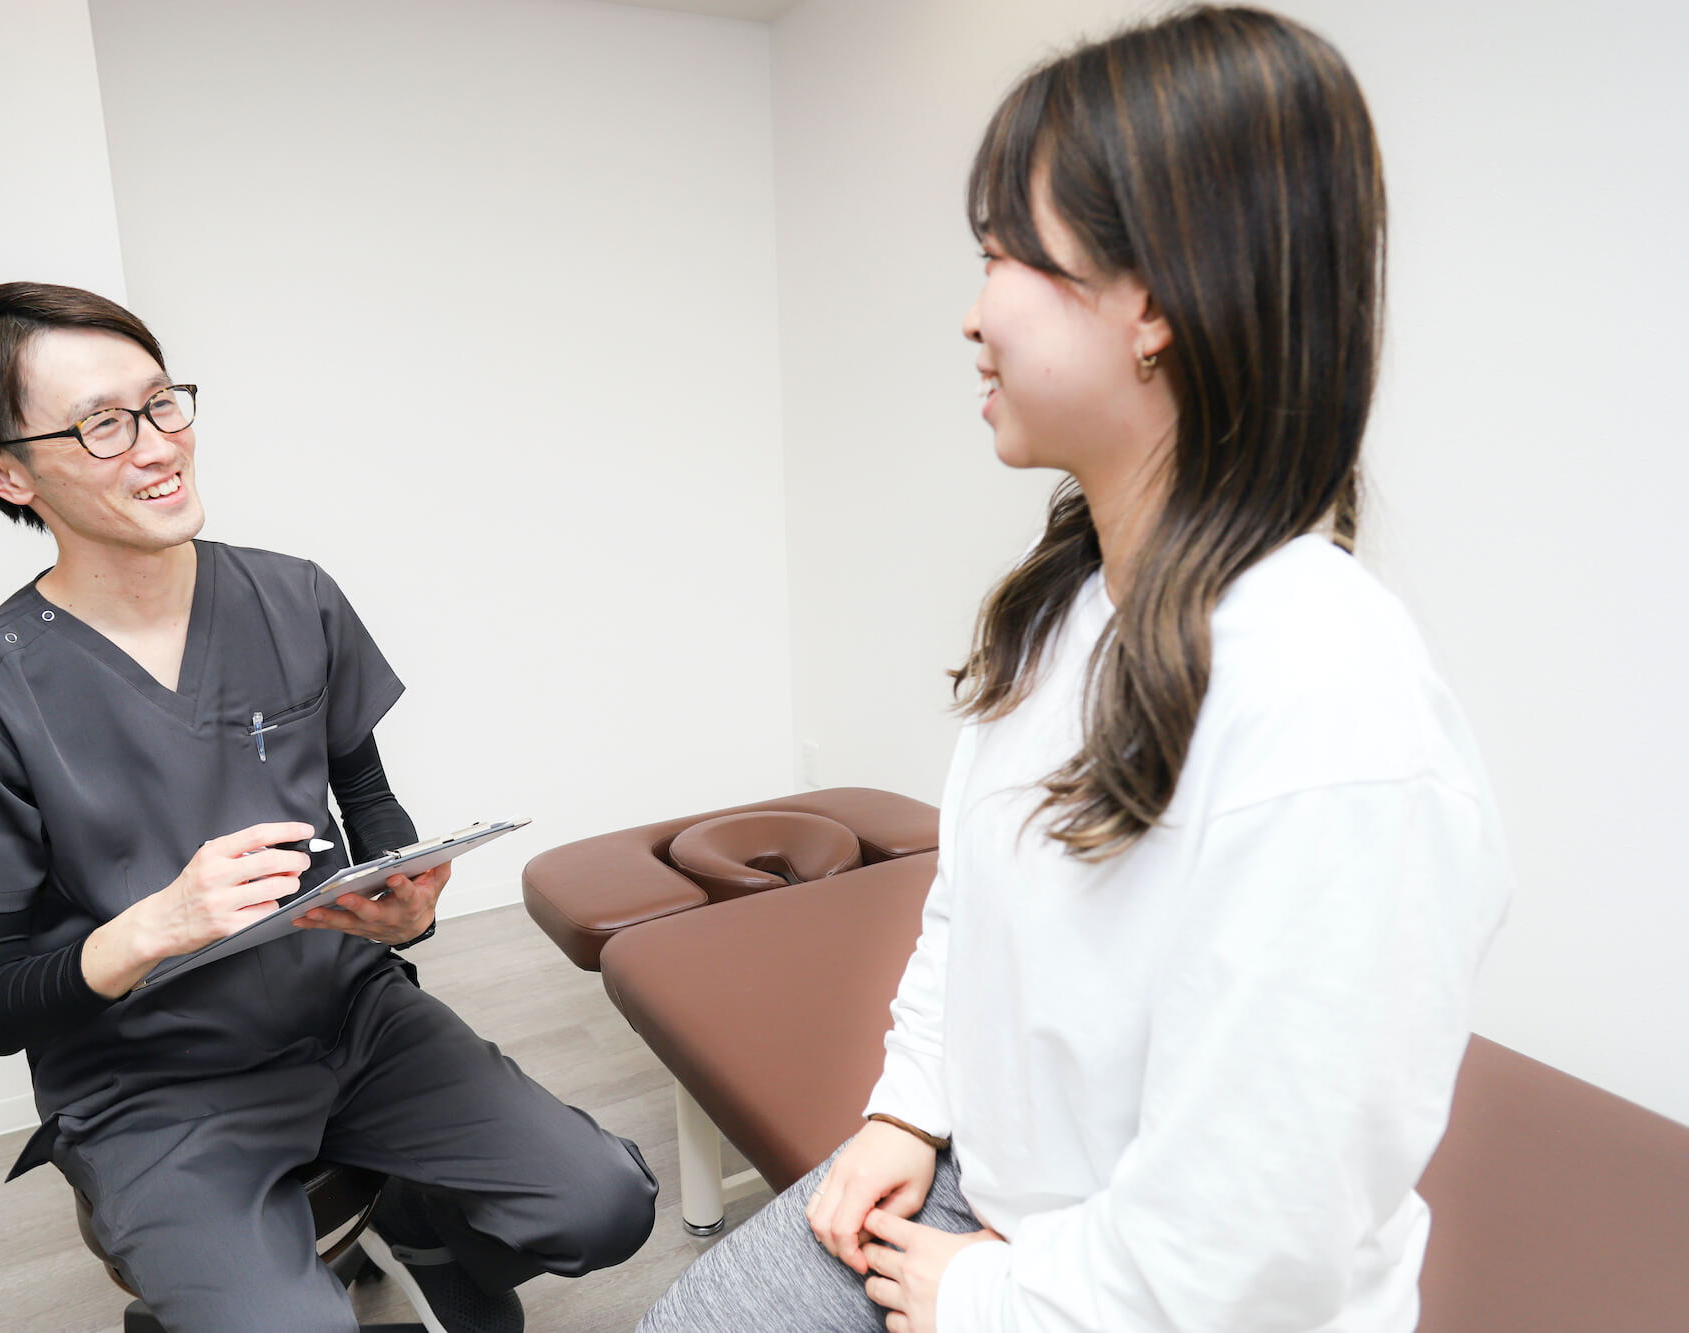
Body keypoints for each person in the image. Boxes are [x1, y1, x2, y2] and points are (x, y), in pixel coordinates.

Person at [641, 7, 1509, 1332]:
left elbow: (1259, 1242)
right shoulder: (1068, 608)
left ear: (1150, 300)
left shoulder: (1330, 705)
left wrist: (990, 1294)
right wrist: (909, 1106)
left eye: (1001, 256)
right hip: (1005, 1214)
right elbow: (969, 913)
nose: (971, 313)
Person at [0, 282, 656, 1332]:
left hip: (351, 1019)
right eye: (103, 424)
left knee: (606, 1205)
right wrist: (157, 924)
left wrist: (402, 900)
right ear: (5, 471)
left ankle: (425, 1225)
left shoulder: (294, 598)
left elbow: (365, 797)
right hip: (149, 1085)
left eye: (161, 403)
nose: (159, 445)